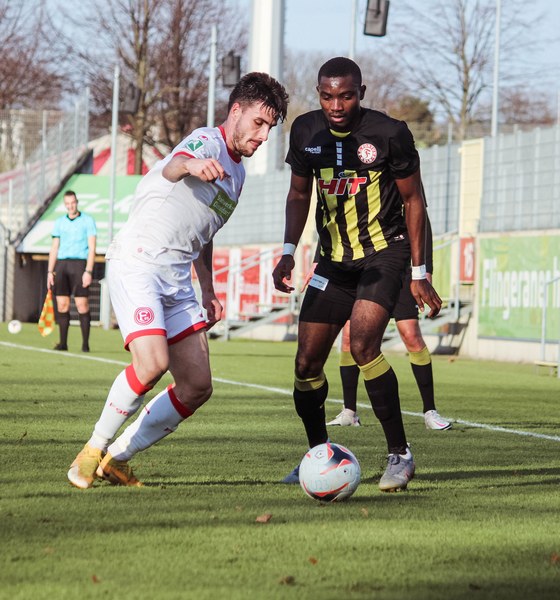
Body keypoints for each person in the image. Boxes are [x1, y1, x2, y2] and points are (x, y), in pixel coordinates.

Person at [67, 72, 289, 489]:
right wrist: (192, 164)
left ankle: (117, 458)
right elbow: (173, 167)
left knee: (197, 386)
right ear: (236, 112)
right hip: (140, 261)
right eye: (258, 123)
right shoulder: (206, 141)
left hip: (177, 278)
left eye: (270, 128)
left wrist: (209, 288)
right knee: (151, 363)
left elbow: (205, 230)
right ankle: (92, 449)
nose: (263, 136)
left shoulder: (238, 176)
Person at [272, 57, 441, 492]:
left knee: (364, 346)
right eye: (327, 96)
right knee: (306, 363)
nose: (336, 105)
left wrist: (419, 271)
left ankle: (400, 455)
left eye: (346, 96)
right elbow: (298, 194)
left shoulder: (389, 133)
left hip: (384, 253)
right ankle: (319, 456)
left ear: (360, 93)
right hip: (333, 262)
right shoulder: (305, 131)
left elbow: (415, 201)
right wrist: (288, 252)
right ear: (318, 94)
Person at [327, 217, 452, 431]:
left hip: (400, 267)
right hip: (364, 267)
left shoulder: (404, 193)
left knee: (410, 335)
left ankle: (430, 412)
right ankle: (349, 412)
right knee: (348, 336)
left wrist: (426, 270)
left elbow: (421, 222)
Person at [47, 190, 97, 352]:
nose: (70, 206)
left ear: (77, 202)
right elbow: (54, 248)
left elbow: (92, 248)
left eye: (73, 202)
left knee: (82, 304)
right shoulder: (59, 222)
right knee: (62, 305)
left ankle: (85, 345)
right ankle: (63, 344)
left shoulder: (88, 220)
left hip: (80, 264)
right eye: (67, 204)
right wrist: (50, 271)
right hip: (62, 265)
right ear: (65, 205)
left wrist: (88, 271)